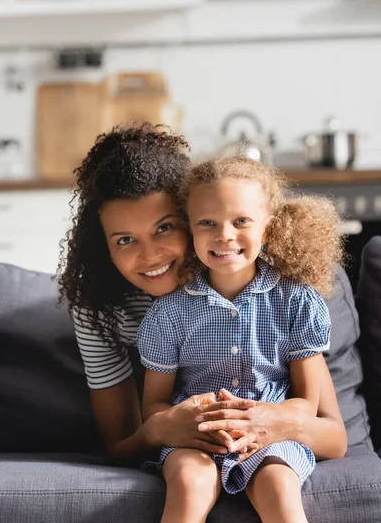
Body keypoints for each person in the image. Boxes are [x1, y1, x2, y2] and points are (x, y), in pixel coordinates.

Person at [58, 123, 346, 476]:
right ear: (104, 247)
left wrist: (272, 423)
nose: (150, 256)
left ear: (193, 221)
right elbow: (120, 448)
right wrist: (160, 429)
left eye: (165, 227)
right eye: (124, 240)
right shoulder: (98, 311)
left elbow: (333, 435)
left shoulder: (270, 296)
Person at [137, 154, 344, 523]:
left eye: (241, 221)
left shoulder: (296, 301)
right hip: (196, 436)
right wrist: (181, 422)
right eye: (207, 223)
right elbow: (153, 404)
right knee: (189, 480)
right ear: (190, 229)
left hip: (273, 435)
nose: (224, 235)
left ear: (268, 228)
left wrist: (269, 420)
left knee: (278, 485)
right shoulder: (168, 313)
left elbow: (307, 404)